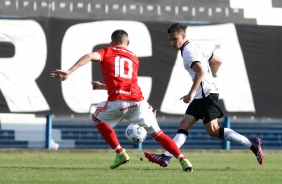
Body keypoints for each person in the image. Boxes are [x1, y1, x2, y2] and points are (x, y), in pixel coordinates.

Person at [50, 29, 193, 172]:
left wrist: (69, 71)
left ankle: (120, 153)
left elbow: (89, 56)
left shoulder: (107, 51)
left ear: (111, 43)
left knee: (96, 117)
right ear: (128, 43)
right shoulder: (134, 58)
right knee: (159, 134)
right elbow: (125, 82)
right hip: (138, 102)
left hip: (117, 102)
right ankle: (183, 160)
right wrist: (102, 87)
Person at [144, 23, 264, 167]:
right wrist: (208, 79)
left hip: (206, 95)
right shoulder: (195, 47)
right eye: (170, 39)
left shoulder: (188, 52)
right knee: (184, 125)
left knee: (213, 130)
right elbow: (218, 62)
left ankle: (252, 145)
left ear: (183, 36)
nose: (172, 43)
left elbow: (200, 71)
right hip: (202, 95)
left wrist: (191, 92)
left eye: (175, 39)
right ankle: (166, 157)